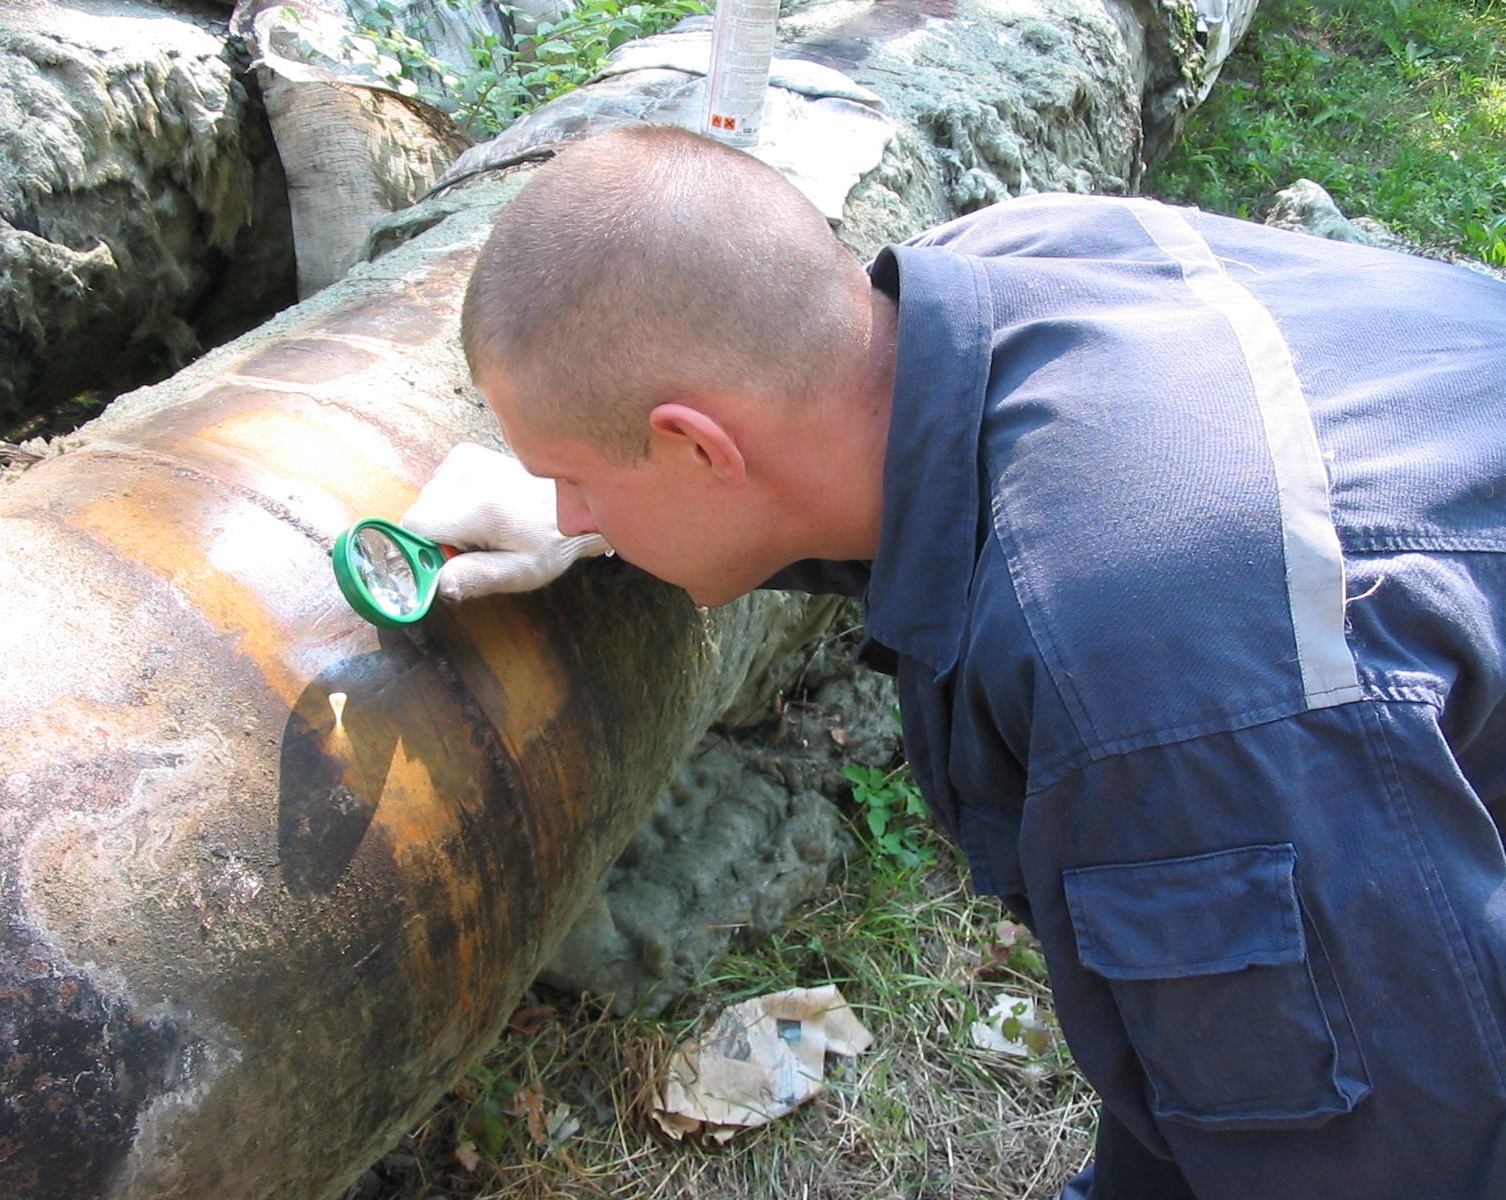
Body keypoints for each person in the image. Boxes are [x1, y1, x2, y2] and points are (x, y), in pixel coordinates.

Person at [400, 123, 1506, 1199]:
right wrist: (598, 525)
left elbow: (1377, 1151)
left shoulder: (1155, 711)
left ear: (699, 446)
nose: (560, 508)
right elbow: (919, 512)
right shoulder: (991, 271)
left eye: (569, 479)